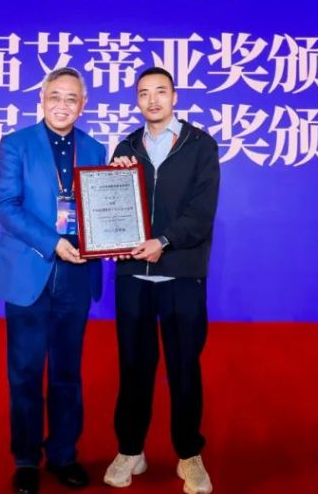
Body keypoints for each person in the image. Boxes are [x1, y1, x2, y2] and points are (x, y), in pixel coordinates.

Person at [0, 67, 106, 494]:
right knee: (25, 371)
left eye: (72, 98)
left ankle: (63, 454)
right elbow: (6, 206)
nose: (62, 105)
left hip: (77, 274)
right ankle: (25, 459)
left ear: (83, 105)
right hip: (28, 271)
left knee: (67, 371)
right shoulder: (16, 143)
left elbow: (104, 206)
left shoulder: (95, 148)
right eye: (55, 96)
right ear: (41, 99)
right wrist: (53, 242)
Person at [104, 67, 219, 494]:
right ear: (137, 101)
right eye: (143, 93)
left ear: (175, 97)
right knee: (133, 368)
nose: (152, 100)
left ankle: (189, 455)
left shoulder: (200, 145)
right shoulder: (126, 146)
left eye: (160, 91)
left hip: (181, 273)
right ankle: (130, 449)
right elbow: (110, 205)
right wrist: (113, 178)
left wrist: (164, 242)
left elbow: (201, 213)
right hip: (133, 274)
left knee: (184, 368)